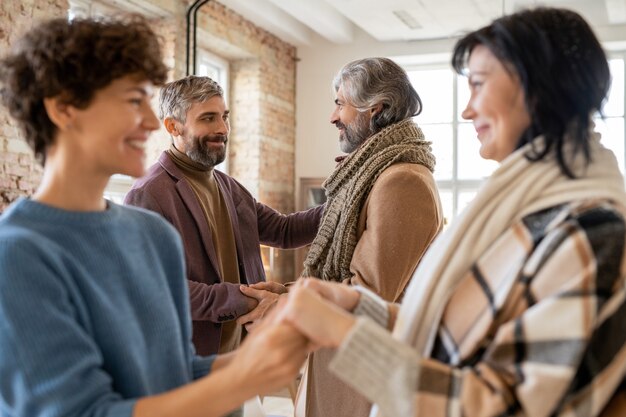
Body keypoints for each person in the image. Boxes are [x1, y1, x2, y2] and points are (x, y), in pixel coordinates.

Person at [272, 7, 626, 417]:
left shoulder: (592, 235)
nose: (467, 110)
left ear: (536, 87)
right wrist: (353, 306)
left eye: (478, 85)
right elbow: (460, 333)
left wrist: (344, 332)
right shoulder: (526, 209)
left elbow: (501, 406)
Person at [0, 16, 308, 417]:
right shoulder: (18, 256)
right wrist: (243, 377)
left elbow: (173, 374)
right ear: (64, 110)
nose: (150, 122)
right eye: (132, 101)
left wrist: (275, 351)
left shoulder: (150, 236)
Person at [246, 57, 443, 417]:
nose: (333, 117)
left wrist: (287, 305)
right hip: (343, 365)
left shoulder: (401, 181)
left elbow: (367, 295)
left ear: (375, 109)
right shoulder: (374, 173)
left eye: (340, 104)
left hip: (365, 378)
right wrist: (289, 292)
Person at [124, 75, 324, 356]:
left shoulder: (228, 186)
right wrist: (246, 300)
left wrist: (347, 200)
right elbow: (159, 288)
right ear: (173, 126)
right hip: (188, 361)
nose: (222, 128)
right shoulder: (148, 194)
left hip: (240, 354)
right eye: (208, 119)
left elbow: (284, 231)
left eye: (224, 116)